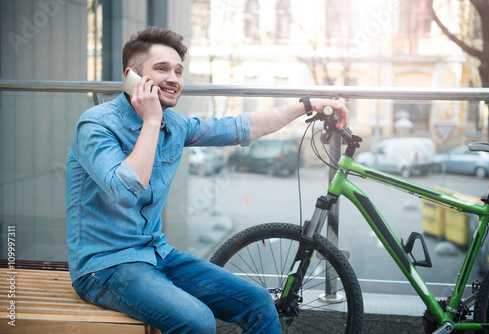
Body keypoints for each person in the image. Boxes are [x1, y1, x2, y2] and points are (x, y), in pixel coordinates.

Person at [65, 26, 349, 334]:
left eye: (178, 71)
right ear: (132, 76)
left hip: (156, 253)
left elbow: (243, 127)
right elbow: (125, 190)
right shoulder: (96, 125)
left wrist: (308, 105)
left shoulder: (175, 125)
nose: (173, 78)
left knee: (258, 301)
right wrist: (150, 120)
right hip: (105, 266)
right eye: (161, 69)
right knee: (198, 321)